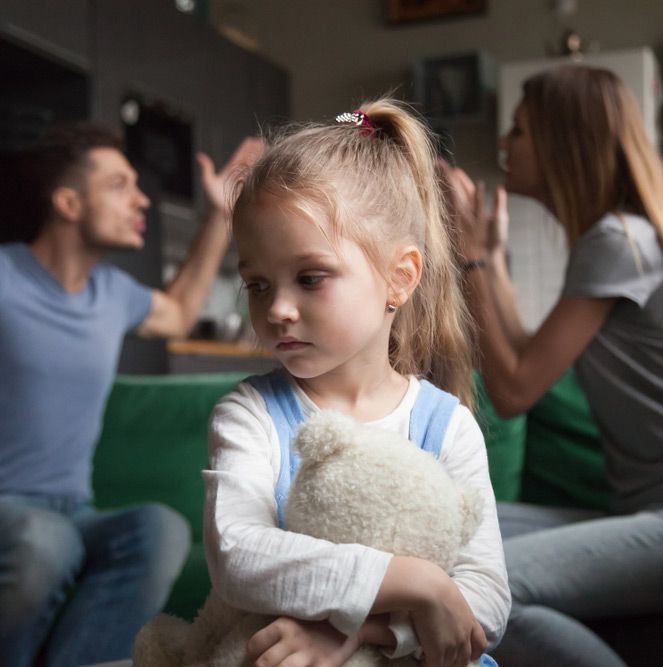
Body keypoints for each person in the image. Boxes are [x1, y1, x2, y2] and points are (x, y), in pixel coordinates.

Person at [0, 73, 264, 667]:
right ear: (69, 203)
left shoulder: (111, 292)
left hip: (71, 517)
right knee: (40, 541)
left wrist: (219, 216)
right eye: (120, 186)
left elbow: (176, 313)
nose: (142, 199)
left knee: (160, 529)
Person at [442, 64, 663, 666]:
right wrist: (491, 260)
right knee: (449, 523)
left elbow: (515, 389)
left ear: (562, 142)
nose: (504, 144)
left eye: (518, 131)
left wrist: (467, 257)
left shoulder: (618, 239)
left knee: (482, 592)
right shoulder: (613, 239)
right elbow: (528, 352)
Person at [203, 100, 510, 667]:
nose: (280, 309)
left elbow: (486, 597)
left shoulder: (448, 426)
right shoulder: (249, 413)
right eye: (258, 285)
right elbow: (237, 554)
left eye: (310, 278)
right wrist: (417, 584)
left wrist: (363, 635)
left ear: (400, 277)